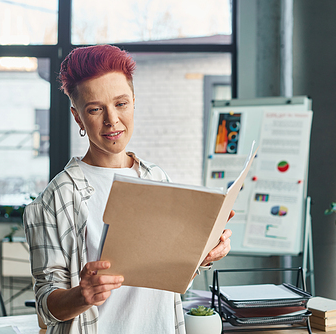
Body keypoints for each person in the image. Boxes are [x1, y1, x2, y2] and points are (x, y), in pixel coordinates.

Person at [23, 44, 233, 334]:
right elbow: (47, 307)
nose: (112, 120)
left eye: (121, 104)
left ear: (133, 101)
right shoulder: (55, 199)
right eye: (95, 109)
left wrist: (203, 254)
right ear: (77, 117)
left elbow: (165, 272)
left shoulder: (156, 178)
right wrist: (81, 295)